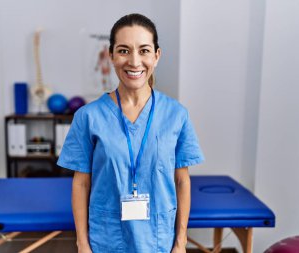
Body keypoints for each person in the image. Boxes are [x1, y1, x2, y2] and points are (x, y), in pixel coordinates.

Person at [58, 13, 204, 253]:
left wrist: (180, 242)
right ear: (111, 56)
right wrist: (82, 243)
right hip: (107, 239)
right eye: (124, 50)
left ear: (156, 56)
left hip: (159, 240)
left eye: (144, 50)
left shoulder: (176, 115)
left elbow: (182, 180)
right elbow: (81, 184)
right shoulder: (88, 117)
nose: (135, 62)